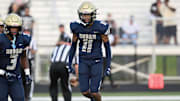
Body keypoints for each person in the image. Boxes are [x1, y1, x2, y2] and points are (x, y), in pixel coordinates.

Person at [68, 2, 111, 101]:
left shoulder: (100, 27)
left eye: (87, 14)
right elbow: (73, 46)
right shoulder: (76, 27)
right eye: (83, 14)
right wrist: (69, 62)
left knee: (94, 91)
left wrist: (108, 65)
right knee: (84, 92)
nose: (85, 17)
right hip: (83, 60)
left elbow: (107, 48)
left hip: (96, 61)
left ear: (93, 14)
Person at [0, 13, 31, 101]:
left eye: (16, 27)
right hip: (1, 77)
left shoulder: (23, 39)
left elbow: (24, 57)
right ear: (7, 27)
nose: (14, 30)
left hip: (15, 76)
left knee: (20, 98)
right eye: (12, 27)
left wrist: (27, 73)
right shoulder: (1, 40)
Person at [49, 37, 78, 101]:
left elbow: (51, 59)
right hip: (63, 65)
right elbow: (76, 64)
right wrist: (77, 78)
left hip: (53, 65)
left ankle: (54, 99)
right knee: (65, 86)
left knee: (53, 85)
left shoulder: (57, 47)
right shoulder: (71, 48)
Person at [21, 28, 37, 101]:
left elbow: (34, 51)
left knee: (28, 78)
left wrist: (30, 49)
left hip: (28, 60)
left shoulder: (32, 40)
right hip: (20, 61)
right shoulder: (19, 38)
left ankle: (28, 95)